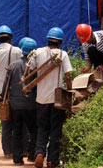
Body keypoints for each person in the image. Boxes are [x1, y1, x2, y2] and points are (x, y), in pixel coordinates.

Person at [29, 27, 72, 168]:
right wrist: (70, 93)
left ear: (48, 39)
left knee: (42, 128)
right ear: (60, 42)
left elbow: (30, 70)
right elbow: (67, 77)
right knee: (55, 130)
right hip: (57, 100)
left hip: (41, 99)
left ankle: (39, 153)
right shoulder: (63, 54)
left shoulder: (38, 52)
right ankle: (52, 161)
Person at [1, 37, 38, 166]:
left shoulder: (13, 66)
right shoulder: (36, 67)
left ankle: (17, 159)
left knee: (16, 130)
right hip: (31, 104)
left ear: (22, 50)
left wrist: (2, 97)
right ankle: (32, 155)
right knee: (33, 130)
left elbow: (6, 85)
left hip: (15, 105)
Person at [0, 25, 22, 158]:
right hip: (15, 92)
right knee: (18, 122)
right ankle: (18, 150)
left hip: (1, 93)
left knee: (5, 123)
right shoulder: (17, 51)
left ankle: (7, 151)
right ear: (10, 38)